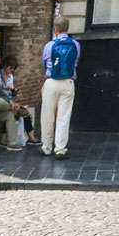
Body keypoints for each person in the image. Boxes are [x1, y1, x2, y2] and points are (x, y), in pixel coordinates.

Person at [40, 16, 81, 159]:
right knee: (64, 117)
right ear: (67, 28)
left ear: (55, 30)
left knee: (47, 116)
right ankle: (60, 149)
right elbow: (75, 62)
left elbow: (44, 64)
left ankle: (46, 147)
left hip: (51, 81)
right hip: (68, 83)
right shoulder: (75, 45)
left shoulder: (49, 46)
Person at [0, 55, 38, 145]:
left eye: (13, 69)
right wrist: (4, 88)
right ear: (6, 65)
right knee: (10, 112)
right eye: (10, 68)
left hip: (10, 100)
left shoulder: (10, 77)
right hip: (1, 100)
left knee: (24, 112)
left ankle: (31, 137)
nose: (11, 71)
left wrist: (13, 95)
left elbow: (12, 91)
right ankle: (3, 139)